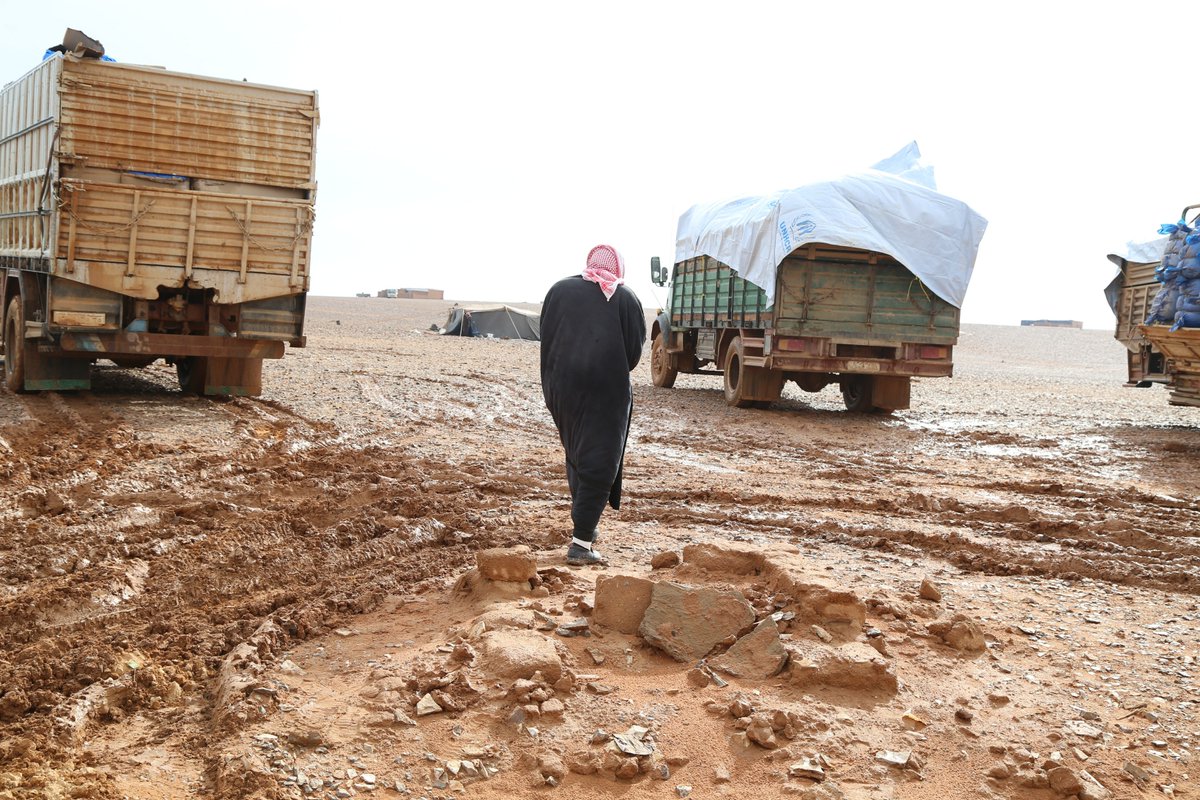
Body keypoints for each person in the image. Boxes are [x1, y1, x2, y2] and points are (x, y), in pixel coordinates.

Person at [540, 245, 646, 565]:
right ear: (618, 267)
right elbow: (633, 353)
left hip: (560, 387)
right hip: (604, 389)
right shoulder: (624, 298)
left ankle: (584, 522)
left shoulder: (559, 290)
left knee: (577, 449)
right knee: (601, 462)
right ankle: (581, 544)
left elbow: (547, 334)